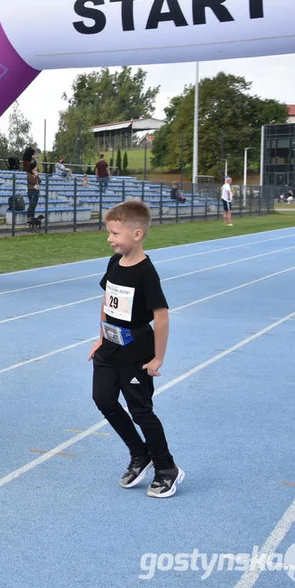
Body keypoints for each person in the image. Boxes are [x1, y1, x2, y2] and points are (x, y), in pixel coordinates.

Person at [88, 200, 182, 498]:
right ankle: (139, 453)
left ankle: (166, 468)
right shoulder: (115, 262)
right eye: (109, 233)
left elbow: (162, 315)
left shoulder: (146, 272)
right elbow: (107, 300)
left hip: (136, 351)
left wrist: (158, 357)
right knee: (103, 399)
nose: (110, 239)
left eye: (115, 233)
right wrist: (100, 337)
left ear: (137, 234)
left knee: (141, 410)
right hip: (109, 348)